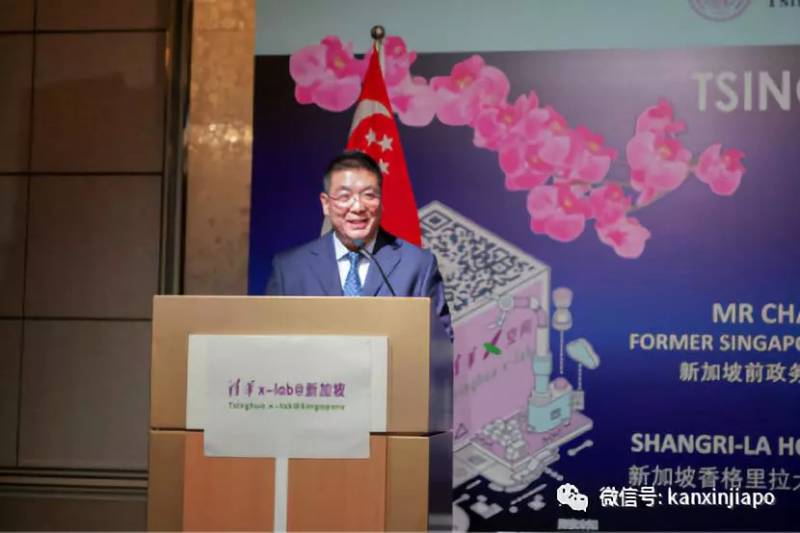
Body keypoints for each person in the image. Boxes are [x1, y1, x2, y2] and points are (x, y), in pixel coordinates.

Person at [266, 151, 452, 340]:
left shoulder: (418, 265)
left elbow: (440, 346)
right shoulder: (290, 269)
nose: (358, 207)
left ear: (381, 201)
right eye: (344, 197)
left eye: (369, 195)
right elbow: (269, 344)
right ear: (326, 204)